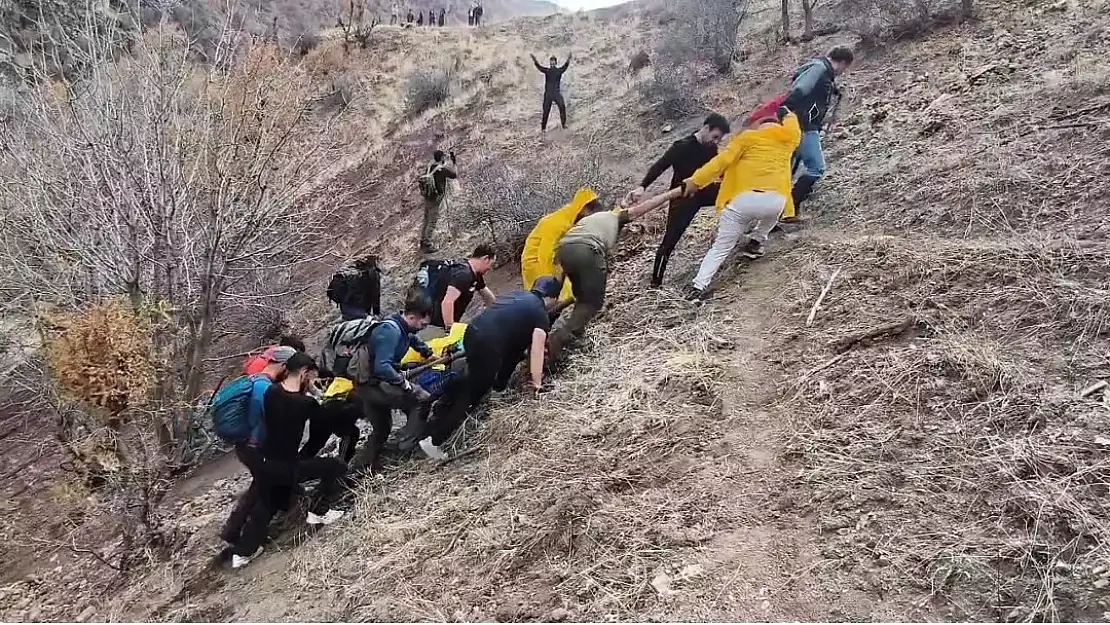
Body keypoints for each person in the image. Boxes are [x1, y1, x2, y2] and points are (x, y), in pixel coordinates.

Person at [220, 353, 348, 569]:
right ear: (305, 373)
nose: (313, 382)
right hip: (287, 465)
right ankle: (318, 512)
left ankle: (242, 553)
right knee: (335, 466)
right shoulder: (305, 403)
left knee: (267, 505)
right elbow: (327, 421)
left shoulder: (271, 392)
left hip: (266, 460)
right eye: (312, 377)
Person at [419, 276, 562, 460]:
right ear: (552, 298)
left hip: (472, 332)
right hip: (489, 346)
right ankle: (434, 441)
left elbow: (515, 348)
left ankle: (443, 404)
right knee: (471, 395)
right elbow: (536, 350)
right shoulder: (540, 313)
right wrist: (537, 383)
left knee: (472, 375)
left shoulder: (517, 296)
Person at [681, 107, 802, 301]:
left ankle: (698, 286)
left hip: (744, 201)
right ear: (777, 127)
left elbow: (720, 162)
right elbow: (794, 128)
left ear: (759, 127)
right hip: (776, 201)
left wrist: (696, 181)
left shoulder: (747, 139)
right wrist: (789, 113)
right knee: (771, 214)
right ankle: (756, 240)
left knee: (721, 247)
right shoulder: (787, 141)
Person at [546, 190, 680, 360]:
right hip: (587, 251)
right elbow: (645, 207)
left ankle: (562, 329)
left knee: (581, 296)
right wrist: (674, 193)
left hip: (564, 251)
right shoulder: (615, 218)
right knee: (592, 302)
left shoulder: (589, 221)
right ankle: (556, 343)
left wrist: (557, 291)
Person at [625, 113, 731, 288]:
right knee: (669, 242)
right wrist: (642, 186)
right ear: (706, 128)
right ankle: (655, 284)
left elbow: (717, 169)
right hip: (682, 199)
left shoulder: (711, 149)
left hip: (704, 192)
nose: (716, 142)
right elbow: (660, 166)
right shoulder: (681, 146)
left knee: (734, 195)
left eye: (719, 139)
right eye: (715, 137)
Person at [218, 346, 293, 560]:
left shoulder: (254, 381)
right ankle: (247, 547)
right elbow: (266, 418)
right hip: (256, 448)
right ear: (283, 366)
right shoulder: (264, 388)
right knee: (269, 492)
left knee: (258, 487)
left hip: (245, 448)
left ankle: (231, 531)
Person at [348, 292, 435, 475]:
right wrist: (405, 385)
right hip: (373, 385)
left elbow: (412, 339)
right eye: (423, 324)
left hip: (367, 385)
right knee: (421, 399)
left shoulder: (400, 326)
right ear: (412, 316)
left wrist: (428, 353)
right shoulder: (391, 331)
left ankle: (358, 468)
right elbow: (382, 367)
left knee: (382, 428)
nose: (423, 328)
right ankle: (406, 446)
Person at [781, 45, 853, 221]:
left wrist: (833, 89)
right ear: (842, 62)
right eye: (845, 68)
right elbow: (801, 89)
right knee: (816, 168)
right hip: (804, 125)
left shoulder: (822, 71)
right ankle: (789, 208)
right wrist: (787, 109)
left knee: (786, 170)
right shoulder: (819, 68)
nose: (843, 72)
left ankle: (780, 213)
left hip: (800, 123)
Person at [521, 187, 597, 305]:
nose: (591, 213)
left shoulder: (573, 218)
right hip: (535, 260)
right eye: (589, 209)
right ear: (582, 207)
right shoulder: (559, 223)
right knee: (541, 296)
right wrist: (549, 284)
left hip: (554, 256)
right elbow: (545, 253)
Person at [419, 244, 497, 335]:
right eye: (491, 264)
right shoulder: (464, 275)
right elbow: (447, 302)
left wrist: (497, 311)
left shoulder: (473, 273)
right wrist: (450, 330)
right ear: (485, 259)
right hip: (436, 326)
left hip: (438, 322)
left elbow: (487, 295)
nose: (490, 268)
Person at [418, 149, 458, 253]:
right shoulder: (442, 170)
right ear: (442, 158)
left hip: (427, 197)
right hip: (435, 199)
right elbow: (454, 175)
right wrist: (453, 162)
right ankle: (427, 244)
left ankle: (423, 241)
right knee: (432, 222)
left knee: (426, 220)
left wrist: (444, 162)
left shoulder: (430, 167)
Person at [326, 255, 382, 320]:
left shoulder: (347, 272)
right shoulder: (372, 273)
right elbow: (376, 295)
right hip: (362, 310)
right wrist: (376, 314)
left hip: (346, 309)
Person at [530, 53, 571, 132]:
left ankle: (564, 124)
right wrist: (534, 60)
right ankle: (543, 128)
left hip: (556, 93)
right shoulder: (547, 71)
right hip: (548, 94)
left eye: (553, 62)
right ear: (550, 63)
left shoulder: (559, 71)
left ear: (555, 63)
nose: (552, 63)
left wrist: (568, 59)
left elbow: (565, 67)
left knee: (562, 107)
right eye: (551, 62)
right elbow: (539, 67)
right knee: (546, 111)